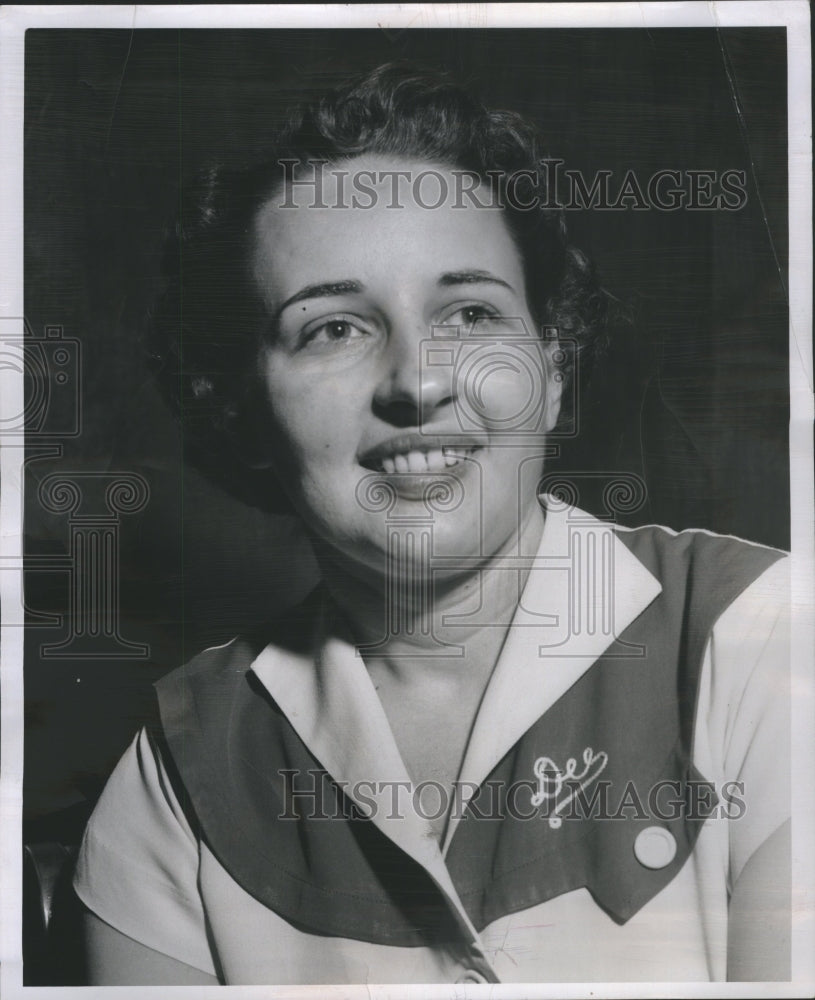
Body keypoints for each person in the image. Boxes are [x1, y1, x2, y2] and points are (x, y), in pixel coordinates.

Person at [72, 63, 790, 985]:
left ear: (552, 361)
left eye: (470, 311)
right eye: (331, 328)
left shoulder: (765, 641)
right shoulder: (174, 779)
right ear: (240, 409)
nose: (416, 382)